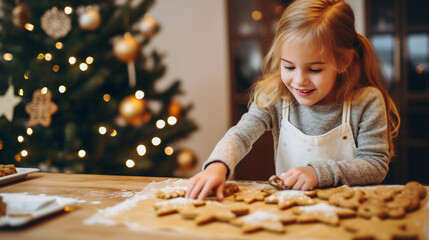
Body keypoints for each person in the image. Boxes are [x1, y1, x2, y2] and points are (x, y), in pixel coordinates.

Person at [186, 0, 400, 201]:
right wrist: (217, 165)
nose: (299, 81)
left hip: (350, 213)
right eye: (288, 66)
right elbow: (241, 135)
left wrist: (318, 173)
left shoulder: (367, 102)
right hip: (291, 210)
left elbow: (374, 164)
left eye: (314, 69)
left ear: (343, 60)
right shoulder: (275, 97)